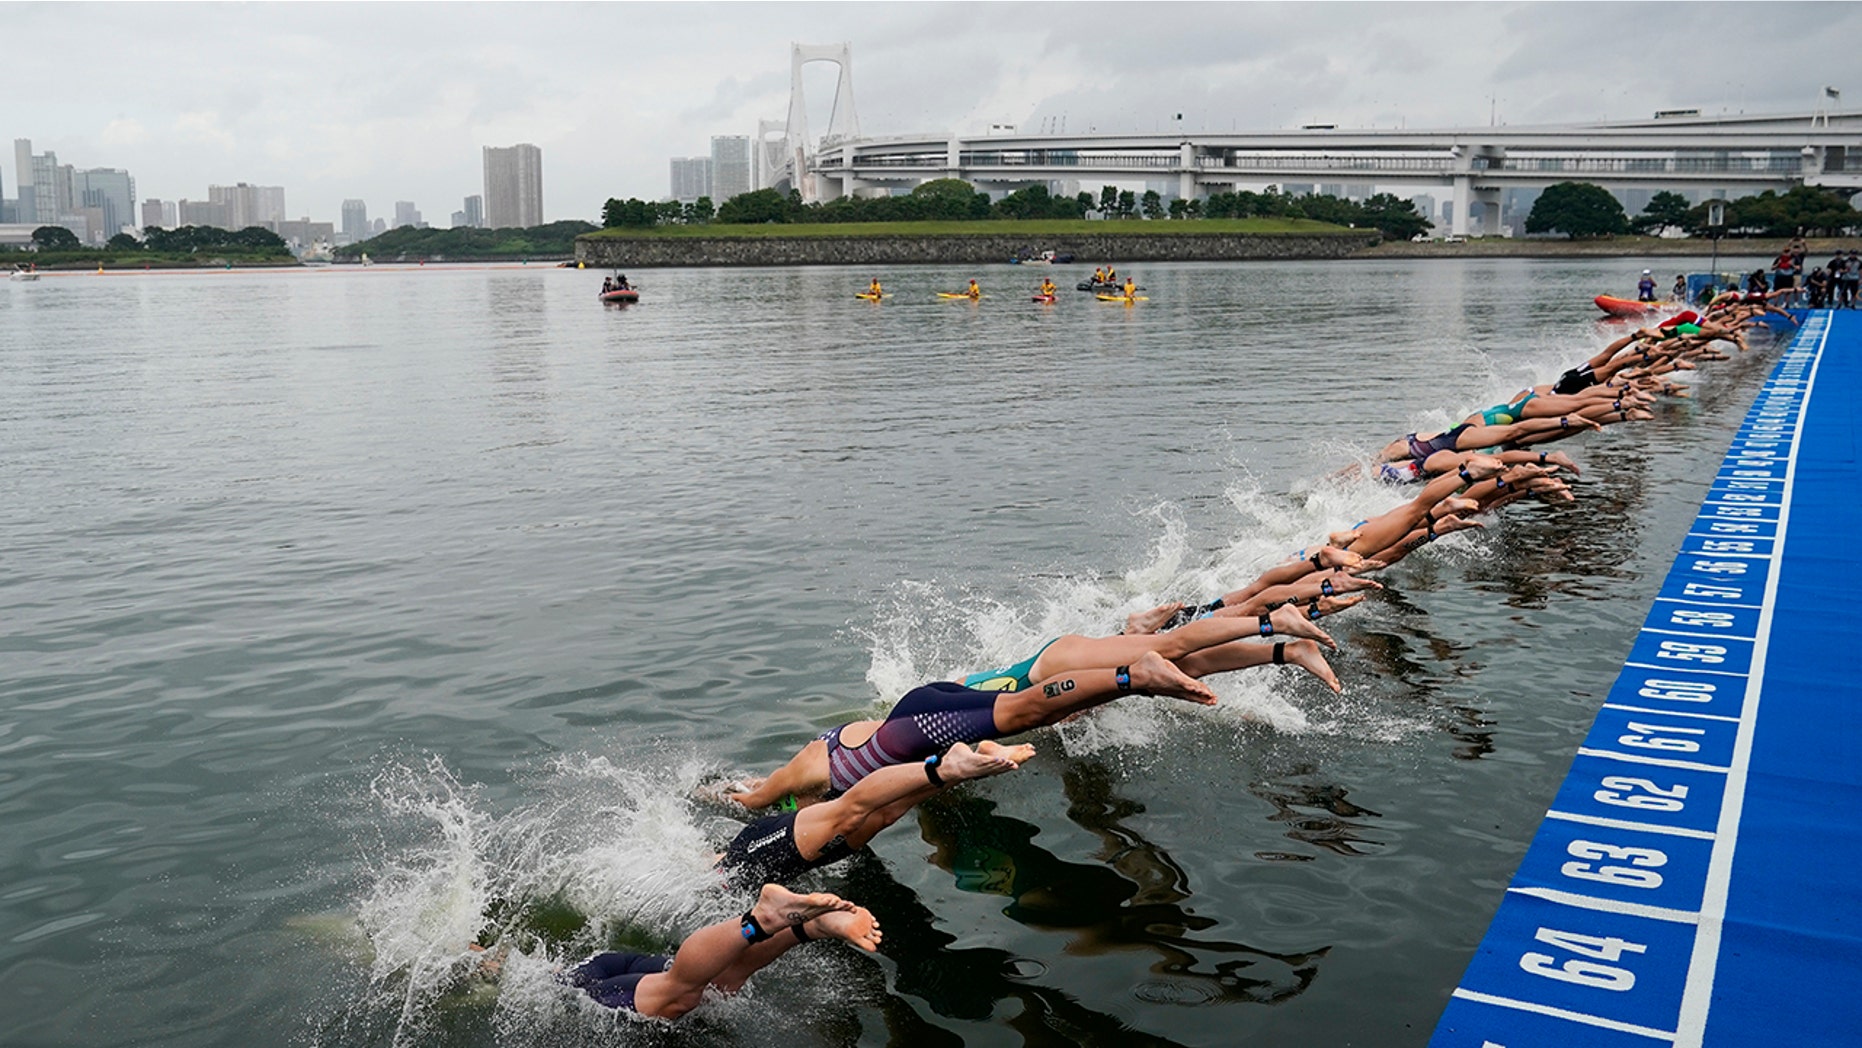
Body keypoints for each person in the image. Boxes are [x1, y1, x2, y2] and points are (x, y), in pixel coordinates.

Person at [727, 651, 1228, 809]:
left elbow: (755, 800)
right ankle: (1131, 681)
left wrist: (721, 794)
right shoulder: (818, 765)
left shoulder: (807, 772)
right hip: (924, 709)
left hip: (918, 724)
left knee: (1029, 709)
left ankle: (1134, 674)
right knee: (1042, 713)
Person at [720, 740, 1034, 883]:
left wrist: (709, 793)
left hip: (750, 857)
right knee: (886, 814)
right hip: (789, 863)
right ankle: (967, 765)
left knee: (850, 810)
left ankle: (949, 766)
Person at [553, 883, 881, 1018]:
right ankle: (812, 927)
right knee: (724, 982)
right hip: (613, 966)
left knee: (680, 994)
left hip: (594, 980)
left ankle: (762, 918)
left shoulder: (555, 994)